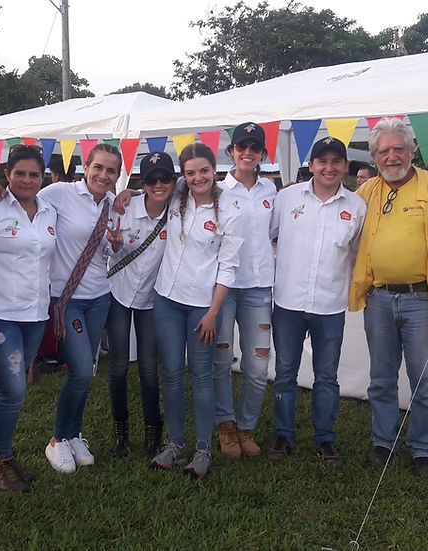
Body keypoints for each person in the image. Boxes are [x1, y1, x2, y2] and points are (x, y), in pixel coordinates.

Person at [348, 117, 428, 478]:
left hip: (424, 299)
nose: (391, 156)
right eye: (383, 151)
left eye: (398, 149)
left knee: (426, 380)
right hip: (379, 300)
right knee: (381, 378)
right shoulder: (366, 193)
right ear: (374, 157)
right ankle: (383, 442)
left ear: (412, 150)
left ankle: (423, 449)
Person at [267, 137, 366, 463]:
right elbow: (268, 235)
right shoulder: (287, 198)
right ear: (311, 166)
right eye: (322, 161)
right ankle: (283, 435)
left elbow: (356, 254)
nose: (329, 167)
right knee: (285, 372)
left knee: (327, 377)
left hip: (330, 305)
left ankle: (325, 438)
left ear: (345, 166)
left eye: (336, 161)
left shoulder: (356, 207)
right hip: (288, 302)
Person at [151, 142, 243, 479]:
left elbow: (228, 267)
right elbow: (151, 190)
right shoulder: (177, 194)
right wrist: (126, 194)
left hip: (203, 306)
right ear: (183, 175)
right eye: (190, 173)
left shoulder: (230, 210)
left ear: (214, 170)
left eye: (204, 170)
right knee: (172, 373)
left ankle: (203, 450)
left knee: (202, 377)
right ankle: (176, 444)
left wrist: (213, 312)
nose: (197, 178)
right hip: (166, 299)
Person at [0, 144, 56, 492]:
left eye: (34, 174)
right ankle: (0, 460)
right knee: (13, 388)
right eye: (19, 173)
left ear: (43, 177)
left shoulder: (50, 210)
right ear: (6, 175)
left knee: (10, 387)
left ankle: (5, 457)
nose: (27, 180)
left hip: (35, 314)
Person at [40, 143, 120, 473]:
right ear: (85, 167)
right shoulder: (59, 193)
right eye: (98, 167)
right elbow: (23, 201)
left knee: (84, 372)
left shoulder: (114, 205)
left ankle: (74, 435)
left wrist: (115, 245)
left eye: (111, 170)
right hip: (66, 297)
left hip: (99, 296)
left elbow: (109, 252)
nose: (103, 175)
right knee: (83, 370)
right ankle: (57, 439)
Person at [212, 122, 278, 459]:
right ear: (231, 151)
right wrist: (130, 193)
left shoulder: (272, 191)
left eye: (255, 147)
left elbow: (278, 232)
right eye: (242, 146)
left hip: (259, 288)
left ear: (263, 154)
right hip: (223, 289)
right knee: (221, 360)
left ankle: (246, 426)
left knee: (258, 366)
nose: (248, 152)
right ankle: (226, 425)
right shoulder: (216, 191)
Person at [105, 152, 175, 459]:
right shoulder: (124, 207)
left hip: (151, 298)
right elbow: (109, 246)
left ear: (173, 181)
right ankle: (120, 434)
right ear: (142, 183)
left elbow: (203, 181)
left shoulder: (179, 208)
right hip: (118, 293)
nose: (158, 185)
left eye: (164, 178)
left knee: (148, 368)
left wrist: (130, 189)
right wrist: (115, 245)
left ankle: (152, 435)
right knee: (118, 367)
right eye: (150, 180)